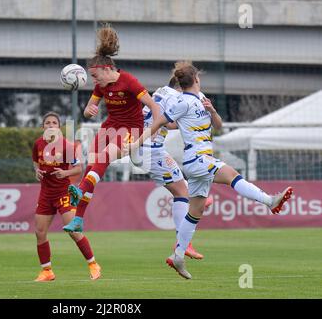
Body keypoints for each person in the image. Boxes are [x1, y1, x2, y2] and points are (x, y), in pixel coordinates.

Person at [129, 61, 293, 279]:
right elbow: (158, 122)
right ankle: (269, 201)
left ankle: (178, 256)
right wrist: (136, 142)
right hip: (198, 159)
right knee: (232, 175)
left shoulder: (200, 99)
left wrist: (212, 110)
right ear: (195, 79)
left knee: (195, 211)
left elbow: (219, 125)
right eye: (199, 77)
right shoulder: (182, 102)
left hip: (200, 160)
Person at [62, 24, 161, 233]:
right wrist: (89, 110)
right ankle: (78, 219)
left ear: (107, 69)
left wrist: (155, 128)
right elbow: (91, 108)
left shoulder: (130, 82)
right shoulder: (101, 85)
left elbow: (153, 107)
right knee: (92, 163)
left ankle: (80, 191)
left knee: (104, 157)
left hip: (130, 130)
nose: (94, 81)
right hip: (110, 126)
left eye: (96, 76)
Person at [131, 75, 214, 260]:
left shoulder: (161, 91)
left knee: (181, 188)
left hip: (151, 148)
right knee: (181, 193)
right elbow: (166, 121)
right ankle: (182, 243)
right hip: (150, 149)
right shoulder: (176, 97)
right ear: (180, 86)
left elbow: (168, 122)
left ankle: (196, 200)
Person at [32, 112, 101, 281]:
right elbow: (35, 162)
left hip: (63, 192)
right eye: (47, 123)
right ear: (43, 127)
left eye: (54, 122)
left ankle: (93, 264)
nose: (50, 125)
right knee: (40, 232)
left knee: (73, 230)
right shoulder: (38, 144)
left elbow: (78, 169)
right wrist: (37, 172)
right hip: (45, 194)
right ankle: (47, 271)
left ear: (59, 126)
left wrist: (65, 173)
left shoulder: (66, 146)